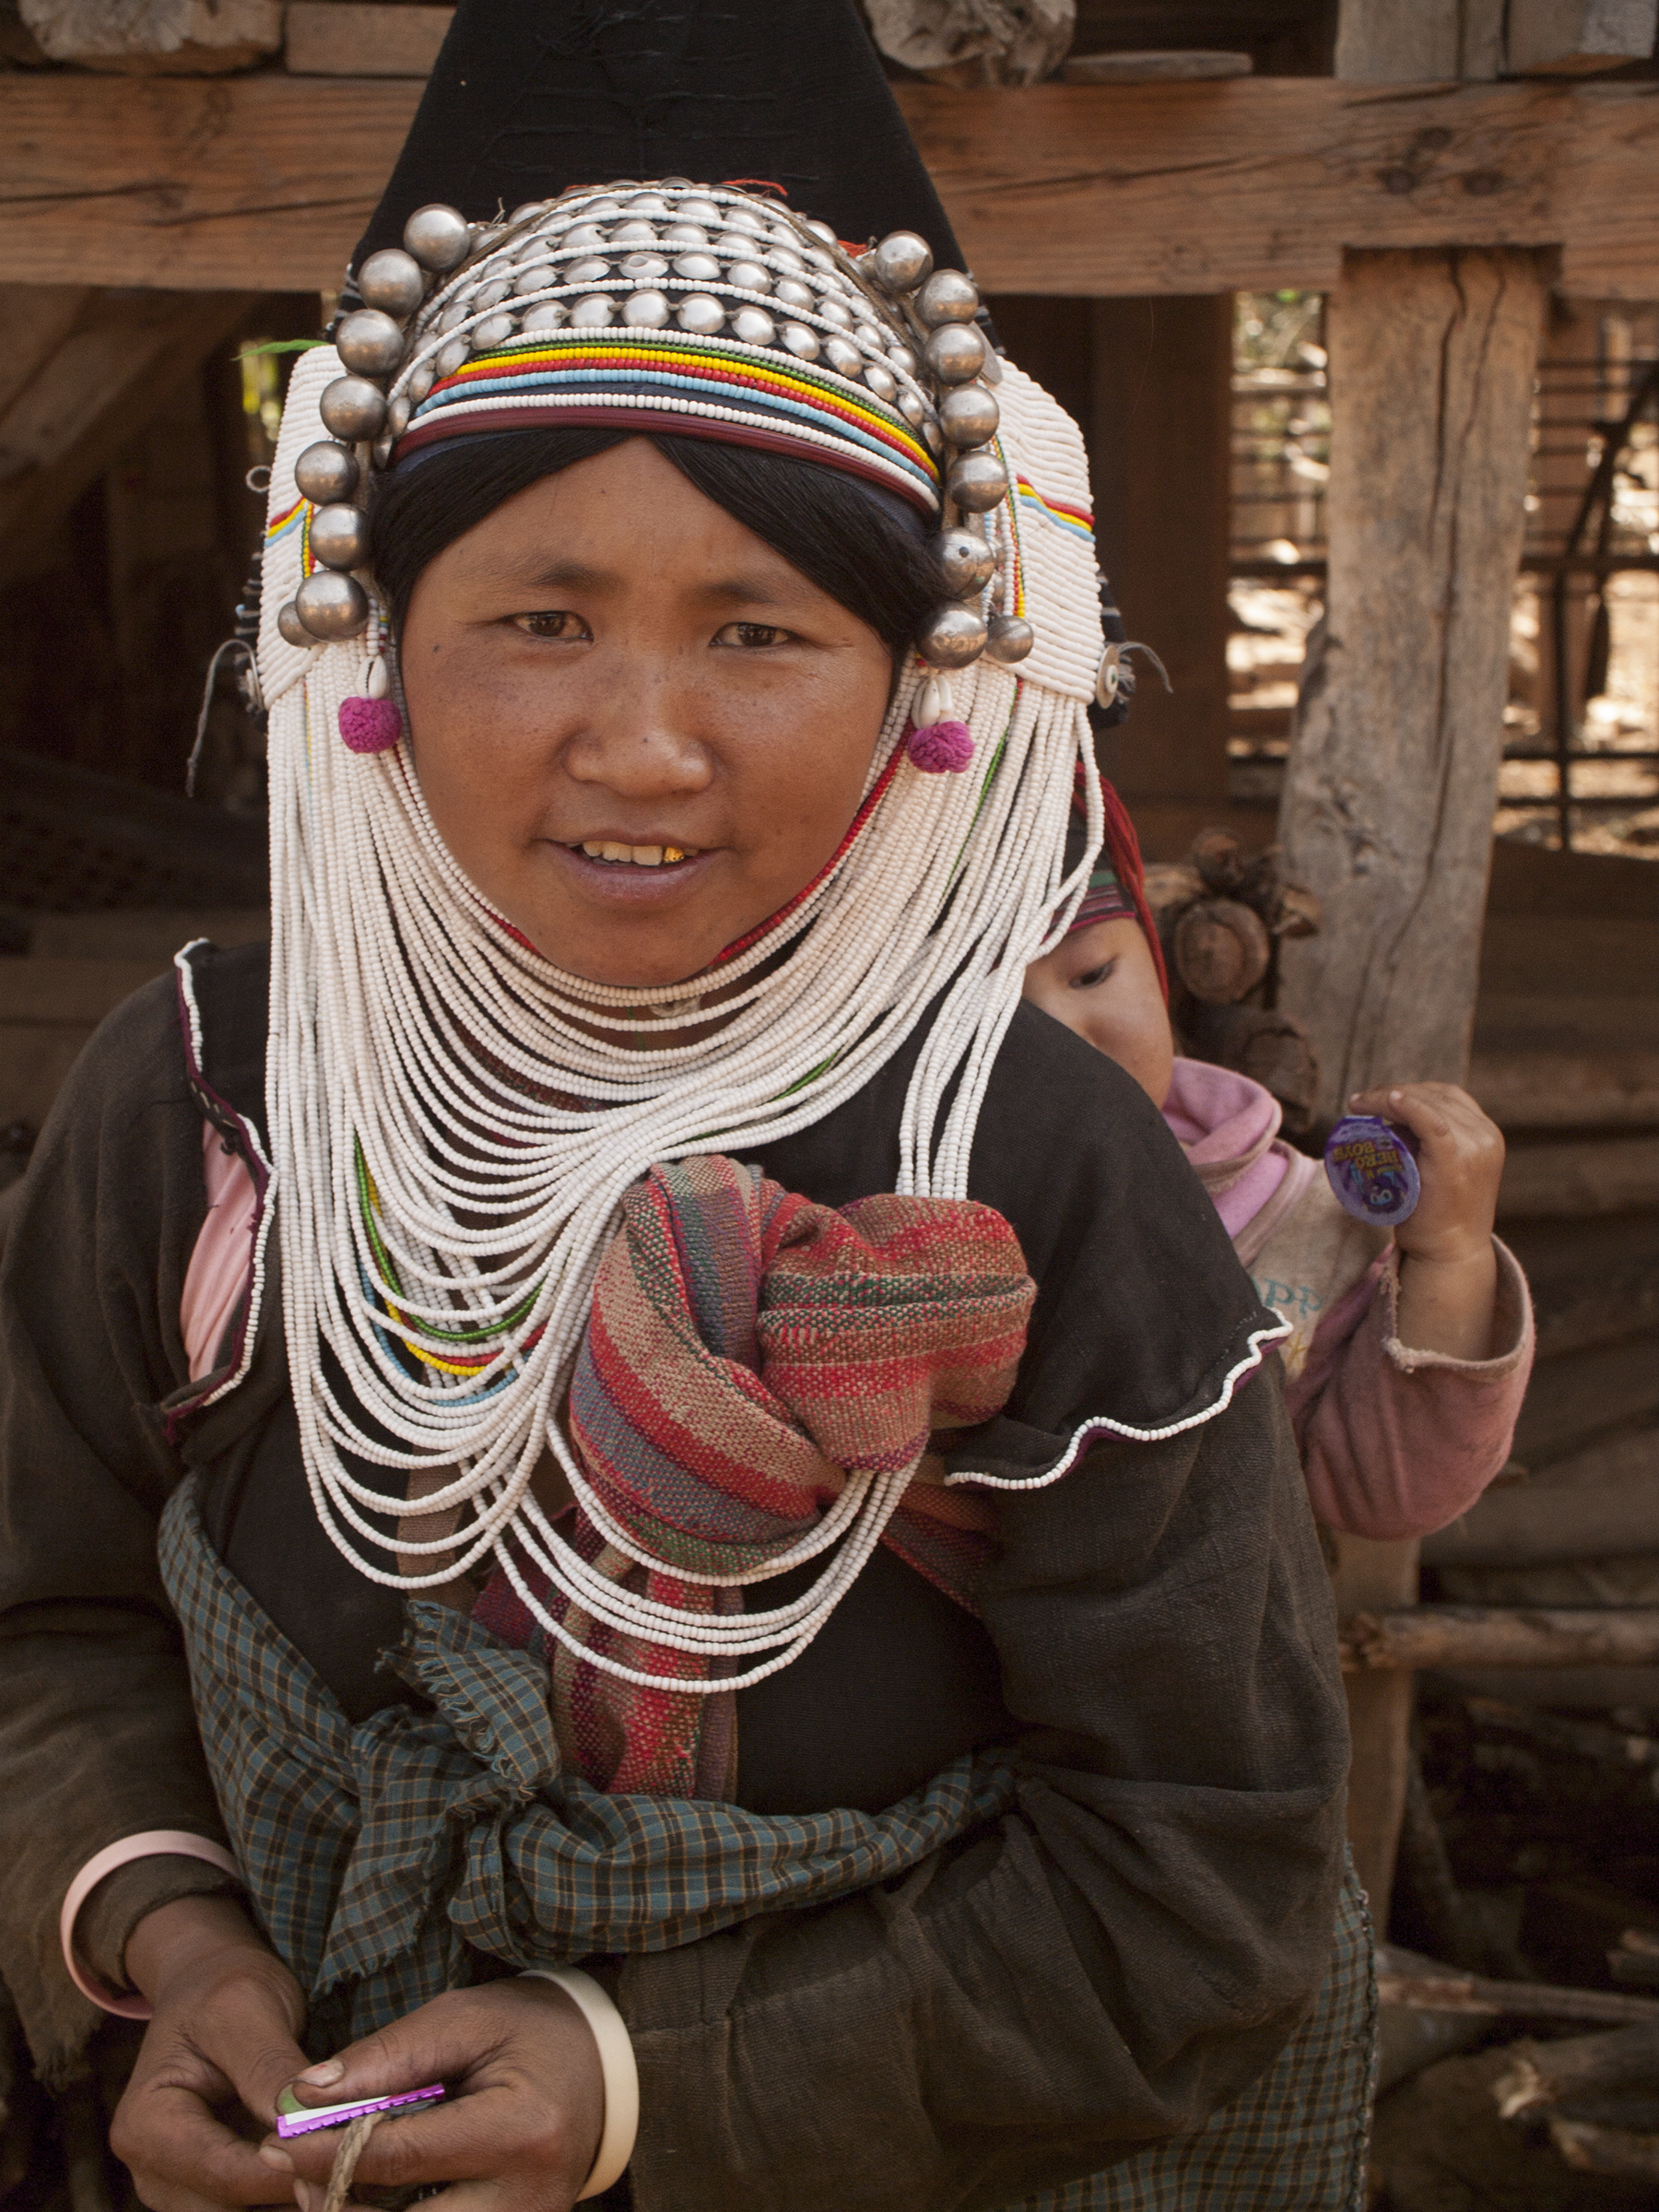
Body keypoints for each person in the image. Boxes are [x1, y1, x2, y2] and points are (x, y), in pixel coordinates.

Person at [0, 8, 1361, 2209]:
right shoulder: (203, 1094)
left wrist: (642, 2081)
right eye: (536, 615)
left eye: (759, 630)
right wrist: (155, 1937)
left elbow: (1201, 1874)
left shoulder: (1029, 1162)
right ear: (375, 662)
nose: (643, 745)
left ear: (919, 695)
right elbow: (43, 1612)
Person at [1022, 788, 1535, 1543]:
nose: (1064, 1040)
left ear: (1157, 972)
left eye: (1093, 974)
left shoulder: (1300, 1224)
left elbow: (1388, 1494)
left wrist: (1450, 1255)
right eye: (988, 1010)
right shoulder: (870, 1215)